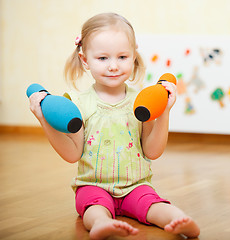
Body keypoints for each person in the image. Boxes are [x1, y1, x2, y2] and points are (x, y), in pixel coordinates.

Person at [28, 12, 200, 239]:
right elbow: (72, 154)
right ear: (85, 60)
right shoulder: (78, 104)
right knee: (94, 208)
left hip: (136, 186)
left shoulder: (142, 102)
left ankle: (178, 219)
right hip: (93, 187)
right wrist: (43, 120)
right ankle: (100, 223)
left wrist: (165, 112)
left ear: (134, 56)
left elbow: (152, 151)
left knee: (154, 204)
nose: (113, 66)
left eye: (122, 57)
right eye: (103, 58)